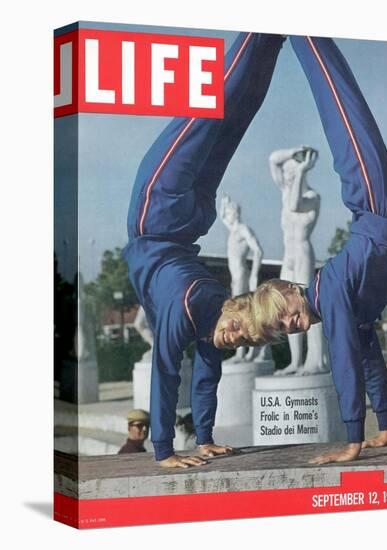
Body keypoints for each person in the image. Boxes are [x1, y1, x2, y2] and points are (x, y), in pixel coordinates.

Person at [123, 33, 286, 468]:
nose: (231, 338)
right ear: (235, 307)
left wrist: (204, 438)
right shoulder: (190, 305)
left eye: (239, 340)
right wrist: (163, 452)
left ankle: (272, 37)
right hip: (159, 204)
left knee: (233, 117)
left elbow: (206, 375)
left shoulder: (215, 320)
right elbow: (165, 371)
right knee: (220, 108)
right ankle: (265, 32)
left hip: (175, 220)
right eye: (238, 328)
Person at [244, 36, 387, 464]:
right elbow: (368, 361)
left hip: (368, 199)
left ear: (292, 290)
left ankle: (302, 29)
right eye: (288, 328)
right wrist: (384, 427)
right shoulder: (345, 309)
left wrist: (353, 441)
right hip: (376, 208)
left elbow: (346, 366)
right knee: (341, 99)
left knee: (336, 97)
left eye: (287, 313)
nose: (294, 323)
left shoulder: (329, 295)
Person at [269, 145, 329, 376]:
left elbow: (295, 205)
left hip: (303, 253)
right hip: (288, 256)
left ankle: (316, 360)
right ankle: (296, 361)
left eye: (291, 174)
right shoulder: (286, 191)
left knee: (306, 306)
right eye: (287, 175)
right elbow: (274, 159)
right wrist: (294, 152)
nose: (287, 178)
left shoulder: (313, 198)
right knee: (287, 308)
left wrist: (301, 170)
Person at [220, 193, 263, 363]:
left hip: (242, 275)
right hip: (235, 278)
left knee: (242, 314)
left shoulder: (243, 229)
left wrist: (254, 274)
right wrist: (224, 204)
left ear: (235, 213)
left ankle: (243, 353)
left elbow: (258, 250)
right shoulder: (233, 230)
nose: (227, 217)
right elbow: (221, 216)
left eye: (230, 213)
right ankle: (254, 350)